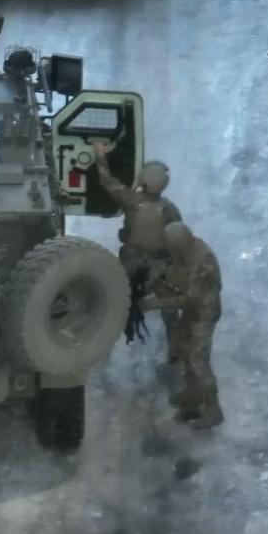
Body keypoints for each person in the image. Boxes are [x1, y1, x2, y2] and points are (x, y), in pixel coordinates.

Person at [91, 141, 183, 357]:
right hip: (160, 267)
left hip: (131, 264)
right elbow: (178, 239)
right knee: (170, 310)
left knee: (113, 301)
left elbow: (106, 180)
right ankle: (176, 352)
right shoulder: (170, 209)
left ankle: (99, 346)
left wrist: (99, 154)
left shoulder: (131, 201)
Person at [139, 222, 224, 429]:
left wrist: (156, 303)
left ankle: (213, 409)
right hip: (192, 311)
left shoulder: (202, 261)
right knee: (185, 348)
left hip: (204, 313)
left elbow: (190, 300)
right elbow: (174, 272)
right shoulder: (185, 253)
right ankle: (193, 392)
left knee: (198, 359)